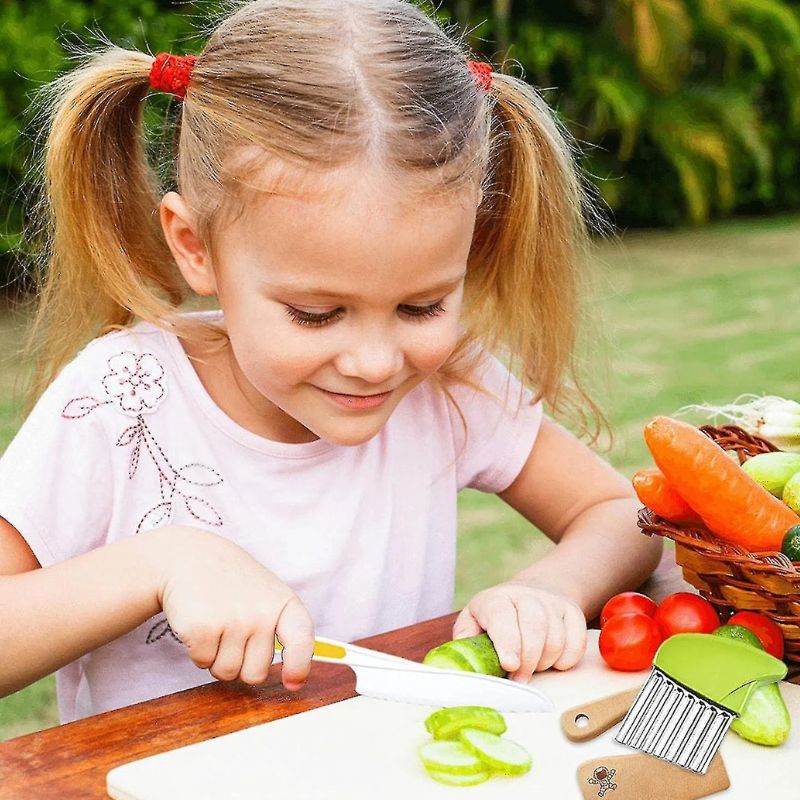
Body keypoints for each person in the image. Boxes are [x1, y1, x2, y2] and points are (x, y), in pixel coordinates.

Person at [0, 0, 662, 725]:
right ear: (194, 247)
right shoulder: (121, 399)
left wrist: (553, 588)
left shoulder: (445, 387)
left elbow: (620, 514)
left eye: (422, 307)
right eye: (316, 314)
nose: (377, 363)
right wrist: (158, 564)